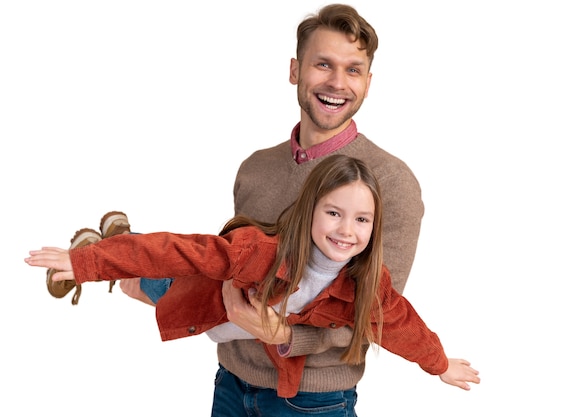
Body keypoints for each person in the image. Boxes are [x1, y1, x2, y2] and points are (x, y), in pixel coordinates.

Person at [37, 4, 462, 416]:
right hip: (231, 384)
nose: (337, 82)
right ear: (295, 70)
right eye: (323, 64)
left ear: (368, 81)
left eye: (353, 69)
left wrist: (285, 337)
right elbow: (210, 263)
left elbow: (377, 316)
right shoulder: (256, 168)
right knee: (181, 278)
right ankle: (114, 256)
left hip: (311, 401)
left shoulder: (390, 182)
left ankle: (116, 254)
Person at [25, 155, 480, 402]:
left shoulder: (368, 284)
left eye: (361, 220)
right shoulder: (261, 254)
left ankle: (118, 241)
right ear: (310, 212)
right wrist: (90, 265)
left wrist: (439, 364)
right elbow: (182, 250)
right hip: (213, 308)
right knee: (164, 281)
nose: (346, 230)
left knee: (159, 287)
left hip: (246, 344)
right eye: (334, 213)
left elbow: (404, 328)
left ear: (374, 226)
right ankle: (107, 246)